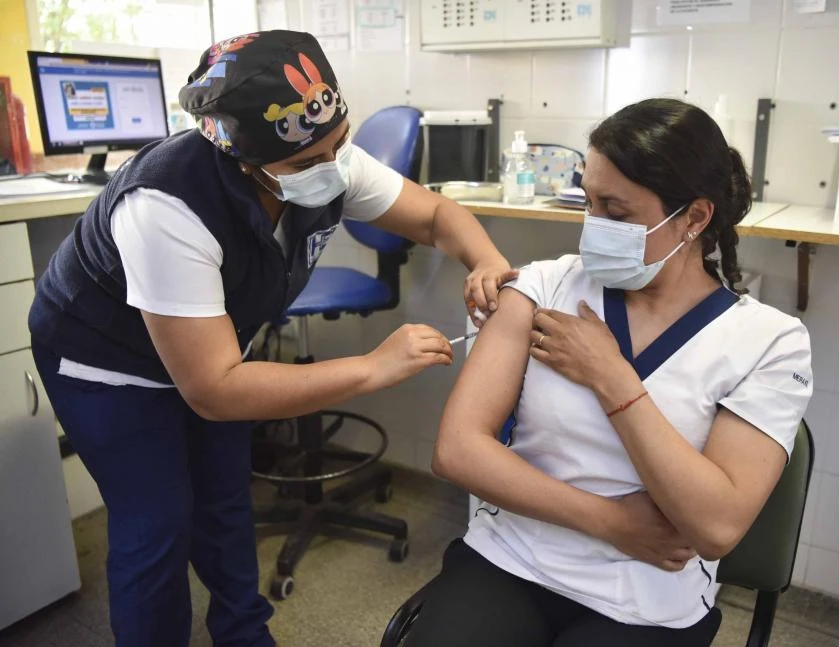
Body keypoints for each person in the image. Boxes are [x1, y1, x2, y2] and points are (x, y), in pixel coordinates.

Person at [28, 30, 515, 647]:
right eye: (306, 164)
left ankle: (244, 635)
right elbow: (215, 391)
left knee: (226, 505)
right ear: (240, 158)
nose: (331, 169)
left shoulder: (326, 153)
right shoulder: (167, 205)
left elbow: (438, 216)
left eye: (339, 145)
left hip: (215, 350)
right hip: (104, 360)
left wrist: (487, 260)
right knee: (156, 525)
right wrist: (372, 367)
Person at [409, 98, 813, 647]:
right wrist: (612, 522)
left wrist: (612, 379)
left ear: (694, 218)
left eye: (616, 213)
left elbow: (716, 526)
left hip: (648, 595)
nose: (592, 227)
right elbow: (457, 450)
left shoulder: (770, 342)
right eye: (588, 201)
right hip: (514, 558)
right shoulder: (546, 285)